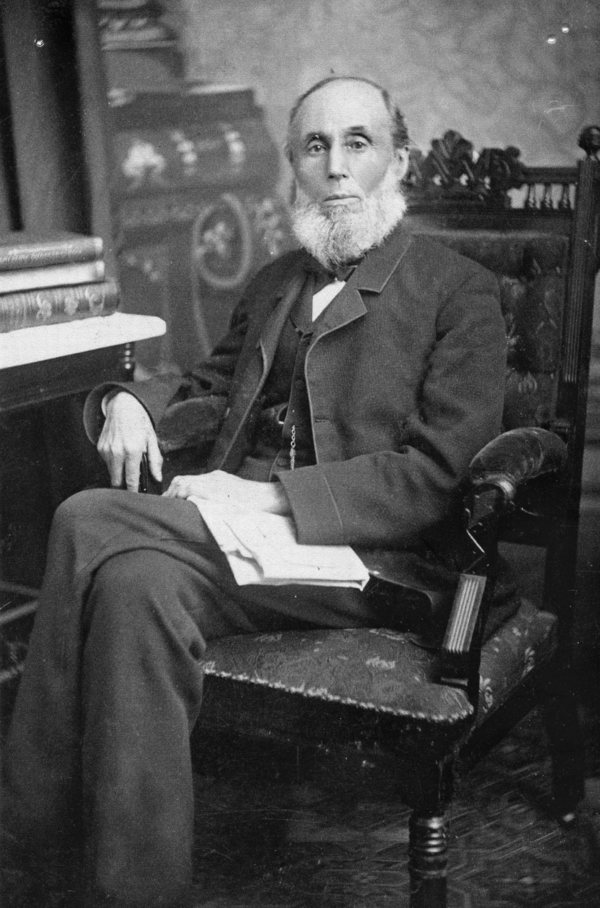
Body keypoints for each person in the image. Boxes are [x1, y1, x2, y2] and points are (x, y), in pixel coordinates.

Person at [2, 75, 506, 907]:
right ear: (293, 167)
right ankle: (136, 892)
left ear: (398, 161)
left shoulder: (459, 292)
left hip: (371, 559)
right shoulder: (277, 282)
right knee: (134, 586)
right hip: (247, 555)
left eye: (358, 143)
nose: (336, 166)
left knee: (86, 518)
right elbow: (207, 385)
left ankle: (26, 834)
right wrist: (133, 401)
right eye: (315, 147)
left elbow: (436, 476)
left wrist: (258, 498)